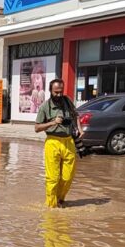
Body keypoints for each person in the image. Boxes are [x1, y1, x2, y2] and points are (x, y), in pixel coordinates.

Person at [34, 79, 81, 208]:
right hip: (52, 142)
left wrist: (80, 129)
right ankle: (51, 206)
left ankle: (60, 199)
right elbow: (37, 128)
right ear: (50, 91)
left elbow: (76, 115)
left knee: (68, 176)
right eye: (56, 92)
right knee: (53, 178)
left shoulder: (67, 101)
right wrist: (53, 122)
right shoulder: (45, 107)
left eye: (61, 92)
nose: (59, 95)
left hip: (68, 141)